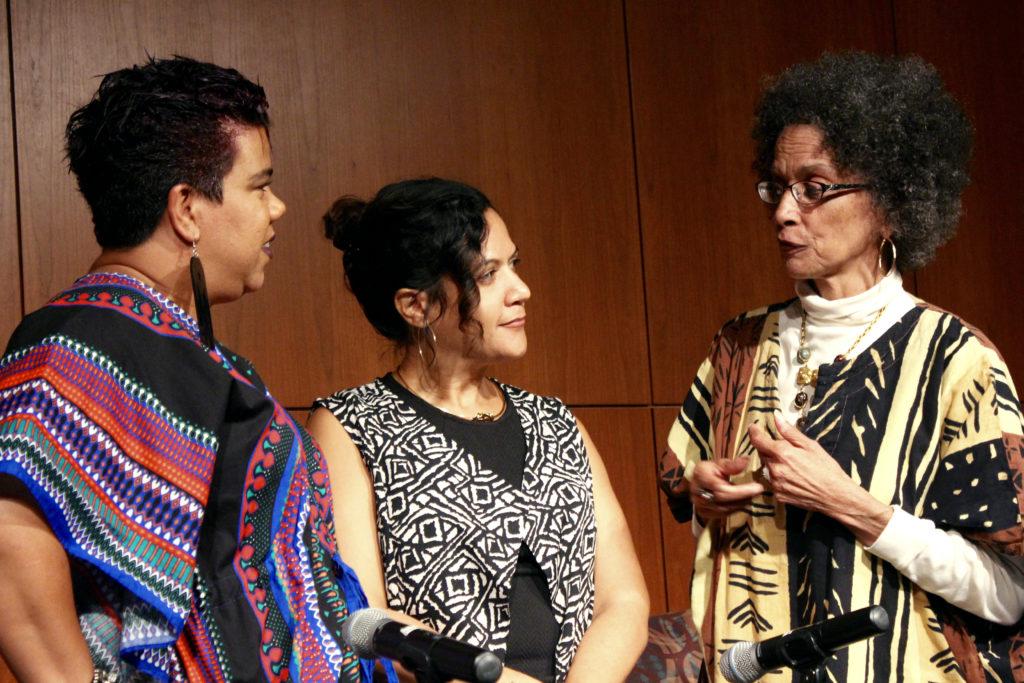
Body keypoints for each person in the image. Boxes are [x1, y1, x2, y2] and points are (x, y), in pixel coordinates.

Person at [0, 56, 380, 682]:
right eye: (259, 186)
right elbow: (13, 535)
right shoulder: (80, 341)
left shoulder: (187, 350)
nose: (278, 208)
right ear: (186, 208)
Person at [659, 52, 1024, 682]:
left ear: (891, 204)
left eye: (816, 188)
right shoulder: (737, 348)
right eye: (777, 187)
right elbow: (694, 508)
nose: (783, 212)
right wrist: (703, 495)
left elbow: (1008, 592)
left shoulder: (956, 360)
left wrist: (853, 506)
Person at [307, 178, 650, 682]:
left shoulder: (555, 422)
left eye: (515, 264)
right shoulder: (349, 427)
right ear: (416, 306)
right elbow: (364, 617)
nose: (521, 290)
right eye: (489, 275)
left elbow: (623, 598)